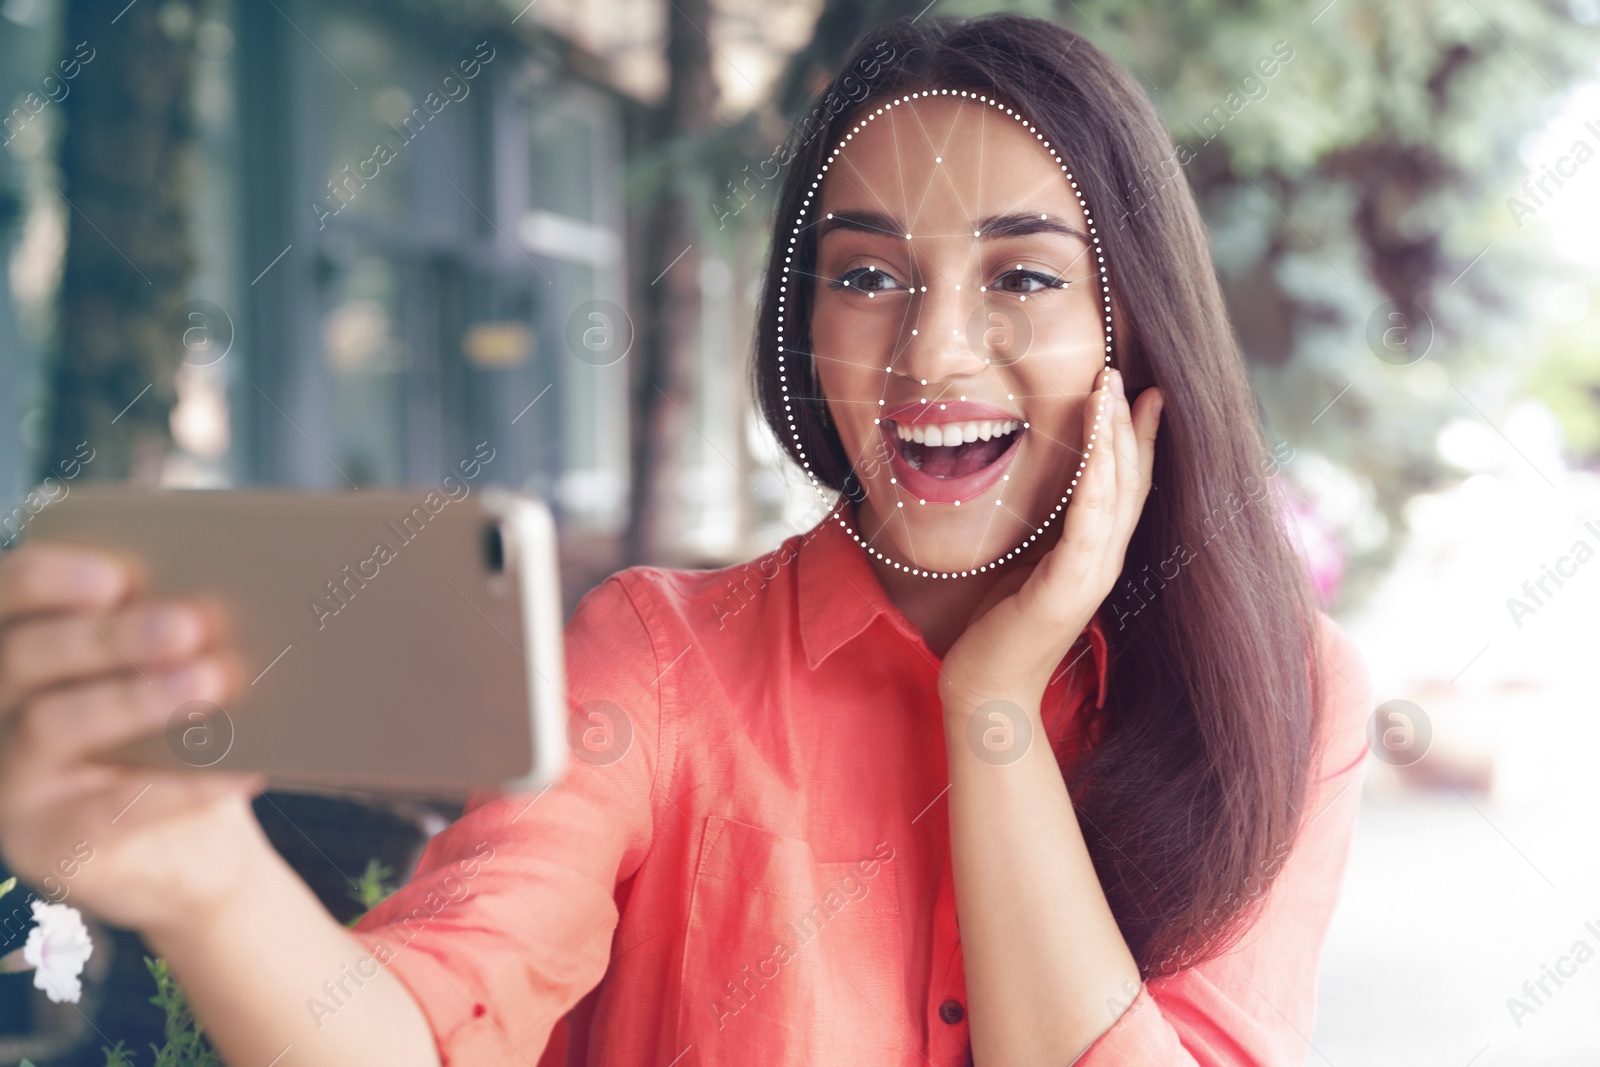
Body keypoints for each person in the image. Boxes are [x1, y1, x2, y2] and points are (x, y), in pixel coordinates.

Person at [0, 13, 1371, 1066]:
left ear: (1136, 330)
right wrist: (204, 885)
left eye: (1023, 276)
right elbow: (417, 1028)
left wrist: (994, 707)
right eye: (867, 276)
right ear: (803, 329)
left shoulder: (1281, 691)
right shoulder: (659, 662)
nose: (932, 349)